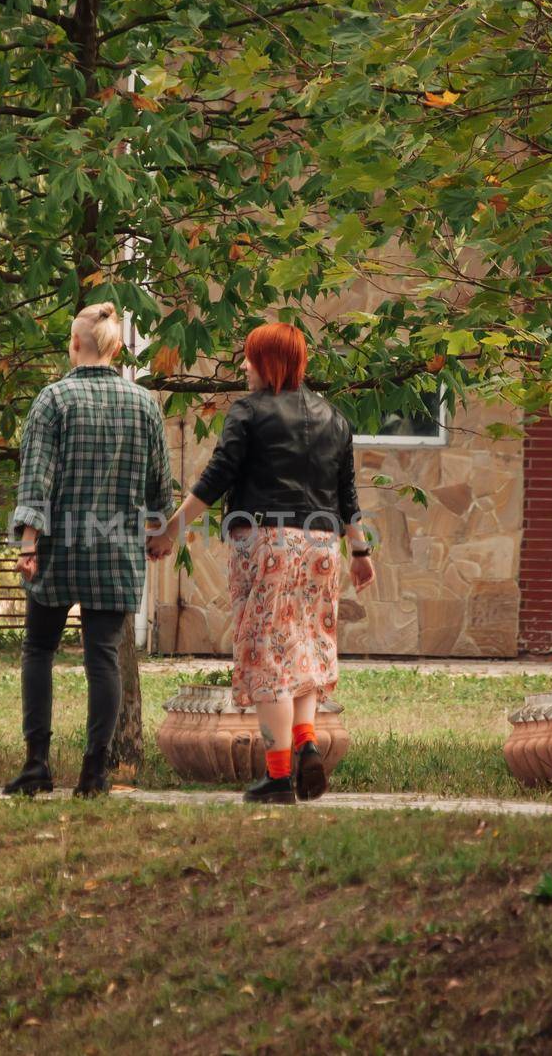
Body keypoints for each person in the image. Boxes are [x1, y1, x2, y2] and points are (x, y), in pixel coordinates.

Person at [148, 322, 375, 805]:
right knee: (307, 648)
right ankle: (307, 742)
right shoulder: (334, 417)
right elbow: (347, 494)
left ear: (268, 362)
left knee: (266, 653)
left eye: (250, 359)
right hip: (321, 547)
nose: (245, 368)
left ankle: (277, 777)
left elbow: (217, 476)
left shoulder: (249, 412)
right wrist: (360, 552)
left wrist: (172, 527)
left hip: (266, 545)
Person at [4, 301, 173, 799]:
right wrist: (158, 533)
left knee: (39, 650)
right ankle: (94, 773)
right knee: (102, 657)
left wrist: (28, 544)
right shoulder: (144, 404)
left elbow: (37, 478)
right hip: (115, 551)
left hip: (58, 549)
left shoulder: (52, 401)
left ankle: (37, 764)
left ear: (75, 344)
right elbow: (160, 486)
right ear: (116, 348)